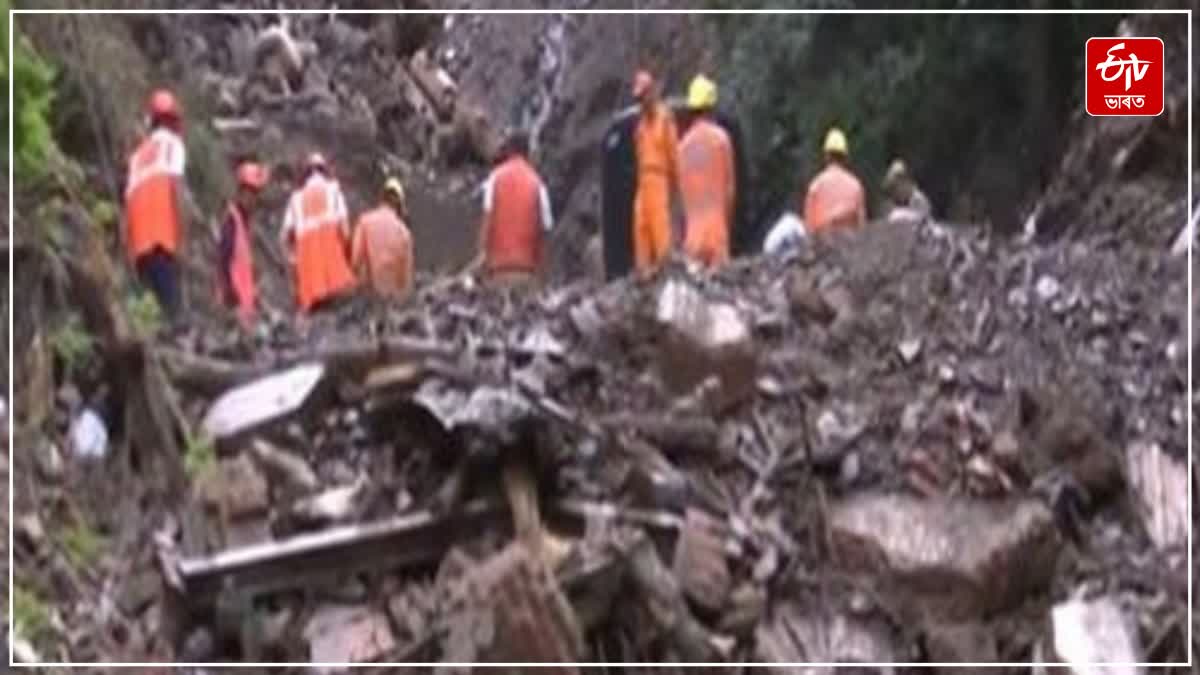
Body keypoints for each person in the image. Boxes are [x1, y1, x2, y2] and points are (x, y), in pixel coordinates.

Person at [124, 89, 194, 325]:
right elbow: (177, 191)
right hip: (163, 241)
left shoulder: (136, 158)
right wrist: (183, 240)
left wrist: (128, 253)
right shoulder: (173, 146)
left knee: (151, 321)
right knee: (173, 317)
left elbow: (127, 210)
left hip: (139, 249)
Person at [474, 130, 554, 290]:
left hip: (497, 273)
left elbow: (486, 225)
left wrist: (480, 268)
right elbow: (545, 234)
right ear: (529, 153)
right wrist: (543, 280)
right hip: (526, 274)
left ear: (509, 151)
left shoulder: (495, 178)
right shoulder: (538, 185)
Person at [279, 152, 357, 313]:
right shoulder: (334, 191)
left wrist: (292, 260)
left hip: (310, 285)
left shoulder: (295, 199)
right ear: (325, 171)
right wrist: (347, 254)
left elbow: (283, 238)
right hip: (336, 279)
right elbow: (345, 229)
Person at [678, 75, 736, 269]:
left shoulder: (682, 147)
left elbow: (680, 201)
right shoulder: (721, 140)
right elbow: (729, 191)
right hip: (716, 232)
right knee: (719, 292)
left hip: (692, 238)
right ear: (712, 107)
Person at [631, 69, 681, 275]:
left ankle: (665, 270)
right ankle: (643, 271)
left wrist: (675, 192)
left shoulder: (665, 119)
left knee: (661, 230)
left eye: (644, 96)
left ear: (652, 93)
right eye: (639, 98)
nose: (641, 102)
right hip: (644, 181)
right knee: (640, 226)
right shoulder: (640, 127)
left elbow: (674, 157)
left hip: (660, 179)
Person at [217, 161, 269, 326]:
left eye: (256, 194)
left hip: (244, 309)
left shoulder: (243, 224)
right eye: (250, 193)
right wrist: (229, 293)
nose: (253, 199)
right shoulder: (232, 221)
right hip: (234, 306)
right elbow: (223, 258)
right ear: (241, 192)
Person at [351, 178, 415, 301]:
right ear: (399, 205)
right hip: (391, 298)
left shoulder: (364, 222)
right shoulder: (404, 232)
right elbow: (406, 280)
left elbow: (355, 260)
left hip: (368, 296)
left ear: (381, 199)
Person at [802, 127, 867, 233]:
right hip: (850, 245)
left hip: (824, 245)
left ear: (826, 156)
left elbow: (809, 229)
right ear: (845, 157)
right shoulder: (856, 185)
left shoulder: (816, 186)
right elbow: (862, 227)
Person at [881, 159, 933, 228]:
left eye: (897, 185)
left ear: (906, 181)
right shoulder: (893, 201)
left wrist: (899, 216)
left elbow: (923, 221)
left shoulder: (919, 200)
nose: (896, 191)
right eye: (893, 187)